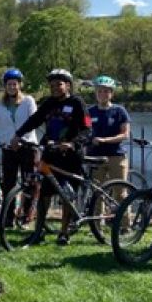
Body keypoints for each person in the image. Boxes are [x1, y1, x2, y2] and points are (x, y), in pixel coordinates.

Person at [10, 68, 91, 245]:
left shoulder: (77, 103)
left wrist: (72, 143)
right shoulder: (49, 103)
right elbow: (34, 120)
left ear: (68, 85)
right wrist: (18, 135)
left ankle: (64, 233)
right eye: (52, 85)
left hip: (70, 156)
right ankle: (38, 232)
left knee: (66, 196)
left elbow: (87, 129)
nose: (55, 88)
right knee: (45, 194)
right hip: (51, 154)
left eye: (59, 84)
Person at [0, 69, 37, 211]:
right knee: (8, 184)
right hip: (9, 148)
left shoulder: (28, 101)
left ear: (20, 85)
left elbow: (34, 121)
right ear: (5, 86)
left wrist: (21, 139)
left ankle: (26, 215)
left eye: (15, 84)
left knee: (28, 183)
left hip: (27, 147)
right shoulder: (1, 105)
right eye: (9, 84)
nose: (12, 87)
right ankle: (8, 216)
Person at [87, 75, 130, 184]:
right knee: (96, 195)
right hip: (95, 157)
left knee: (120, 193)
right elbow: (85, 131)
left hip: (116, 156)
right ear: (95, 93)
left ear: (112, 93)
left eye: (106, 91)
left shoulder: (119, 111)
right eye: (99, 91)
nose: (102, 94)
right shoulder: (88, 112)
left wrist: (105, 140)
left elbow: (125, 134)